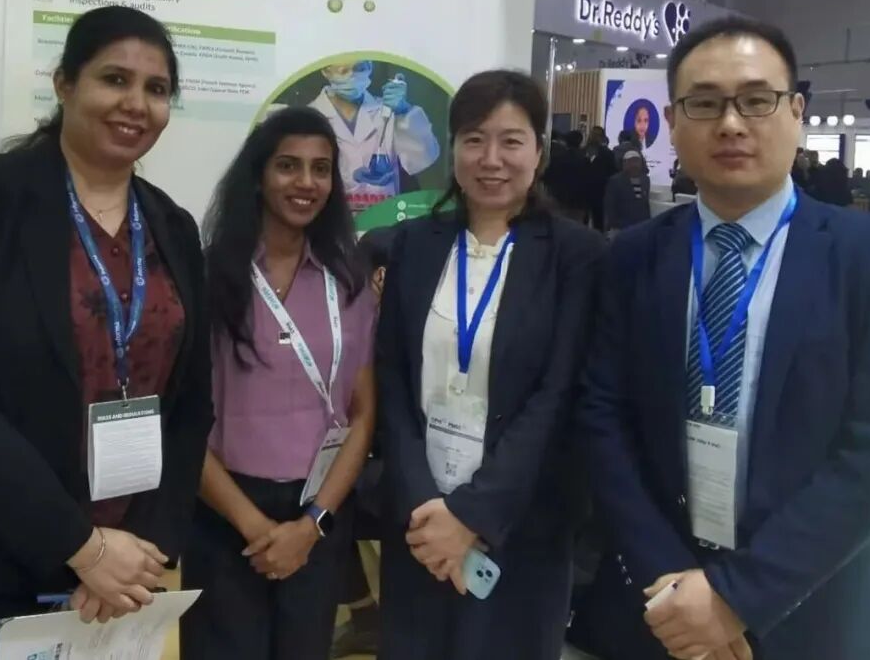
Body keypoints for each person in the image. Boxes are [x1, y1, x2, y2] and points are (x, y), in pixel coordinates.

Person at [580, 16, 870, 660]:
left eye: (757, 99)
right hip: (661, 611)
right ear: (672, 121)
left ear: (796, 112)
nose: (731, 123)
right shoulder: (633, 256)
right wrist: (673, 585)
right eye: (705, 103)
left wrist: (737, 597)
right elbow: (604, 416)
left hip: (809, 609)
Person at [0, 6, 214, 658]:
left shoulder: (173, 226)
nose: (136, 103)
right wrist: (82, 547)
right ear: (64, 83)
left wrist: (144, 550)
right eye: (114, 79)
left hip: (121, 572)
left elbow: (191, 406)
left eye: (155, 89)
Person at [377, 70, 603, 660]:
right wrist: (424, 503)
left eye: (511, 141)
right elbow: (392, 380)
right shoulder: (415, 244)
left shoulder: (577, 256)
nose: (491, 159)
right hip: (421, 521)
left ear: (539, 152)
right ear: (453, 149)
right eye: (474, 139)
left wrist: (472, 515)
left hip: (521, 524)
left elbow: (557, 396)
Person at [180, 107, 377, 660]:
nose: (306, 182)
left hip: (319, 511)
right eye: (288, 165)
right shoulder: (208, 276)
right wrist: (254, 526)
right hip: (225, 513)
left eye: (321, 168)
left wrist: (311, 525)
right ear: (259, 175)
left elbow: (363, 413)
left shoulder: (349, 281)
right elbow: (183, 419)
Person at [331, 225, 397, 659]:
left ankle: (367, 616)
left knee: (324, 507)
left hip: (394, 469)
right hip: (381, 460)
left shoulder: (379, 327)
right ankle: (366, 616)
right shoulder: (358, 324)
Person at [308, 60, 440, 211]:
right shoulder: (310, 117)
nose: (352, 76)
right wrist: (350, 177)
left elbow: (423, 158)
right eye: (344, 70)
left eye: (360, 69)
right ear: (325, 71)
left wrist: (404, 111)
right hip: (331, 216)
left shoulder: (388, 111)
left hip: (383, 216)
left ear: (370, 67)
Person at [604, 150, 652, 232]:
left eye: (636, 161)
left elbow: (645, 203)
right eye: (630, 161)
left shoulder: (645, 180)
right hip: (621, 226)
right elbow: (610, 204)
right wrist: (614, 224)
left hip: (642, 225)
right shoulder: (615, 180)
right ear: (624, 164)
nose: (634, 165)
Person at [587, 128, 617, 231]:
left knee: (586, 220)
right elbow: (613, 172)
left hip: (586, 190)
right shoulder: (608, 153)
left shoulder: (584, 151)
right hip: (600, 190)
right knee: (598, 220)